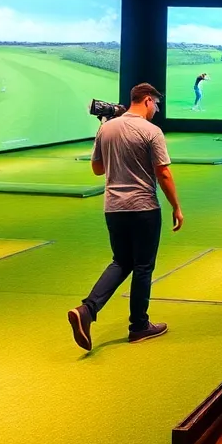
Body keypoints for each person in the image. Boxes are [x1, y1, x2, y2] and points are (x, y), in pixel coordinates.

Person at [70, 83, 183, 352]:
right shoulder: (151, 131)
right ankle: (139, 326)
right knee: (143, 266)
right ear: (146, 100)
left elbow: (97, 169)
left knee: (121, 261)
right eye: (156, 104)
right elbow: (163, 173)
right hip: (143, 208)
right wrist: (176, 206)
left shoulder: (106, 128)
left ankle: (87, 310)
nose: (156, 109)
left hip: (113, 208)